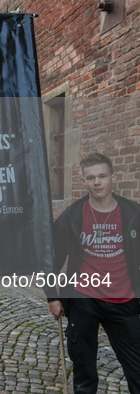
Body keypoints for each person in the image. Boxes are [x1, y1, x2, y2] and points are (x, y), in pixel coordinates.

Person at [47, 152, 140, 393]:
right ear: (84, 181)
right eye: (91, 178)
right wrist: (52, 296)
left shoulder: (133, 214)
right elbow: (51, 258)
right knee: (84, 371)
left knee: (137, 370)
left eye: (102, 176)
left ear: (113, 177)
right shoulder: (72, 215)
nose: (97, 182)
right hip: (83, 299)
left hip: (124, 299)